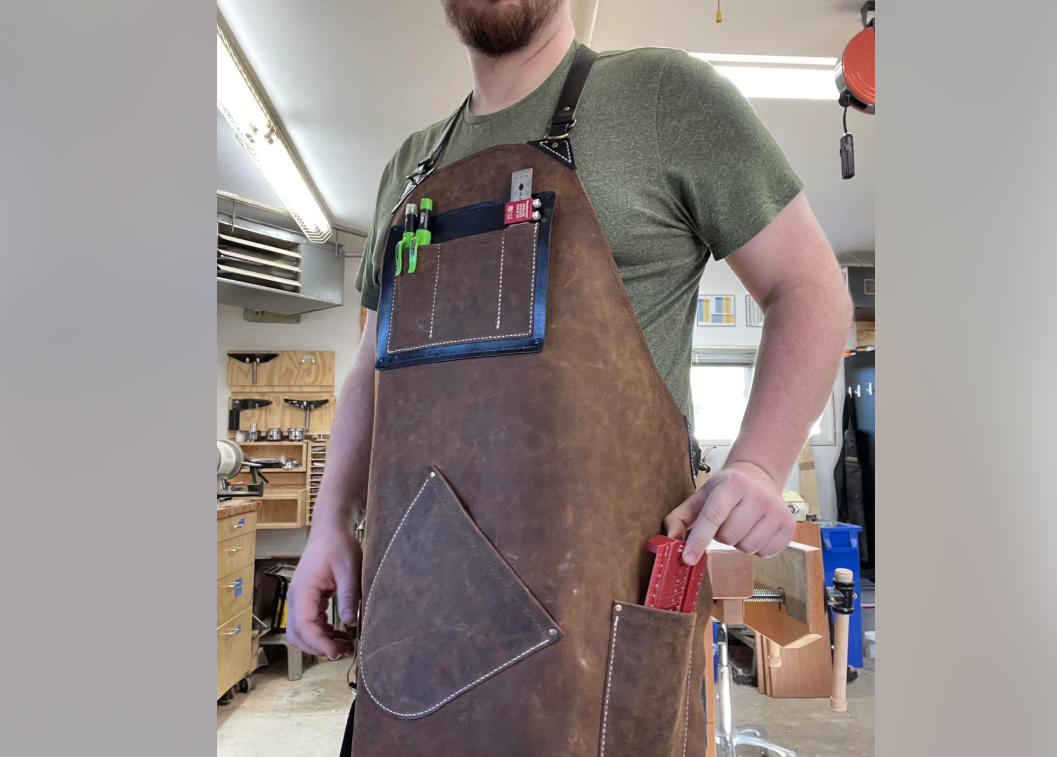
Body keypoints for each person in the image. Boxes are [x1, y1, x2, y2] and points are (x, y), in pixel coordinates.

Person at [288, 1, 852, 754]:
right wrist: (329, 522)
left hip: (600, 629)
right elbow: (368, 370)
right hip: (419, 622)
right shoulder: (411, 166)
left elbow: (810, 287)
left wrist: (756, 463)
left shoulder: (663, 97)